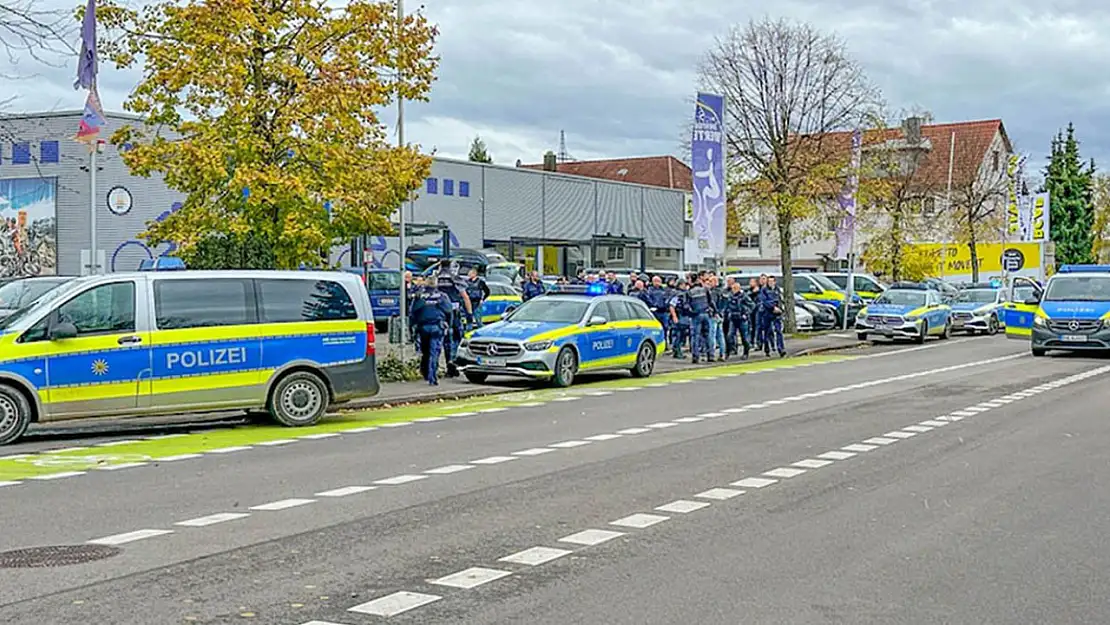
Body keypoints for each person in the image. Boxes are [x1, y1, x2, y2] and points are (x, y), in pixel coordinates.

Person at [409, 284, 453, 385]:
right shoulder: (442, 296)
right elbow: (449, 311)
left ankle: (426, 373)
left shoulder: (420, 296)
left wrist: (412, 330)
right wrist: (449, 326)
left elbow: (412, 313)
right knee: (435, 352)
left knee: (426, 352)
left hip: (423, 327)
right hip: (437, 327)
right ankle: (432, 376)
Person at [436, 260, 472, 377]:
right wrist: (469, 314)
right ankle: (453, 361)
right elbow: (465, 297)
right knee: (457, 337)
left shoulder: (436, 278)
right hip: (453, 312)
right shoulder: (454, 278)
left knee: (443, 339)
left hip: (439, 312)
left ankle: (440, 366)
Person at [684, 274, 714, 364]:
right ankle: (710, 355)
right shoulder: (705, 289)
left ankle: (696, 357)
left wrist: (691, 313)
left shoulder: (689, 292)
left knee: (695, 336)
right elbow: (711, 302)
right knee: (708, 335)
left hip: (696, 315)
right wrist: (714, 312)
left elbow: (686, 305)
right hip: (706, 313)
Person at [723, 280, 753, 359]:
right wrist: (726, 314)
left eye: (736, 288)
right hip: (733, 319)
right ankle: (727, 352)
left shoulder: (744, 296)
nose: (734, 290)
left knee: (744, 337)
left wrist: (746, 314)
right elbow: (726, 307)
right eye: (733, 288)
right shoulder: (730, 296)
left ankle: (746, 352)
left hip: (742, 319)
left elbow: (752, 305)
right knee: (729, 336)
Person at [759, 275, 786, 357]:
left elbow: (780, 300)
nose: (770, 283)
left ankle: (781, 348)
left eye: (772, 281)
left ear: (774, 282)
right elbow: (764, 301)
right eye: (769, 281)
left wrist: (780, 309)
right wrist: (773, 307)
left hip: (777, 313)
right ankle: (767, 348)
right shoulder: (764, 290)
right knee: (767, 332)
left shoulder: (777, 290)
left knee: (778, 331)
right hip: (767, 313)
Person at [669, 280, 690, 358]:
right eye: (684, 284)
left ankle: (677, 351)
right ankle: (677, 352)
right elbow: (672, 306)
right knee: (677, 335)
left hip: (683, 316)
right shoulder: (677, 294)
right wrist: (674, 316)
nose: (685, 286)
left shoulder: (683, 293)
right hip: (679, 316)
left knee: (681, 335)